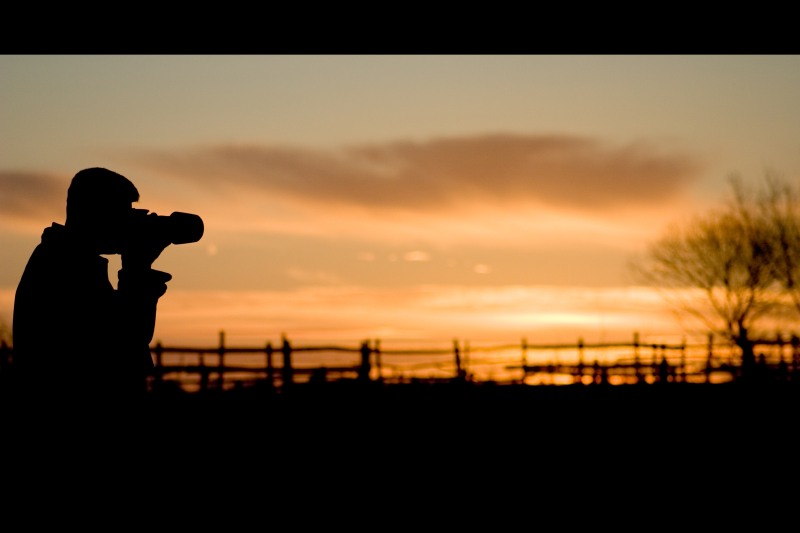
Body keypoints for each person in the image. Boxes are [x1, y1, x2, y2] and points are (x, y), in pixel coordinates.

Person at [12, 167, 173, 412]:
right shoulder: (63, 267)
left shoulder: (66, 260)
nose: (127, 222)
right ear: (96, 212)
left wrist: (137, 267)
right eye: (122, 211)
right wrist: (137, 266)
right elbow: (124, 347)